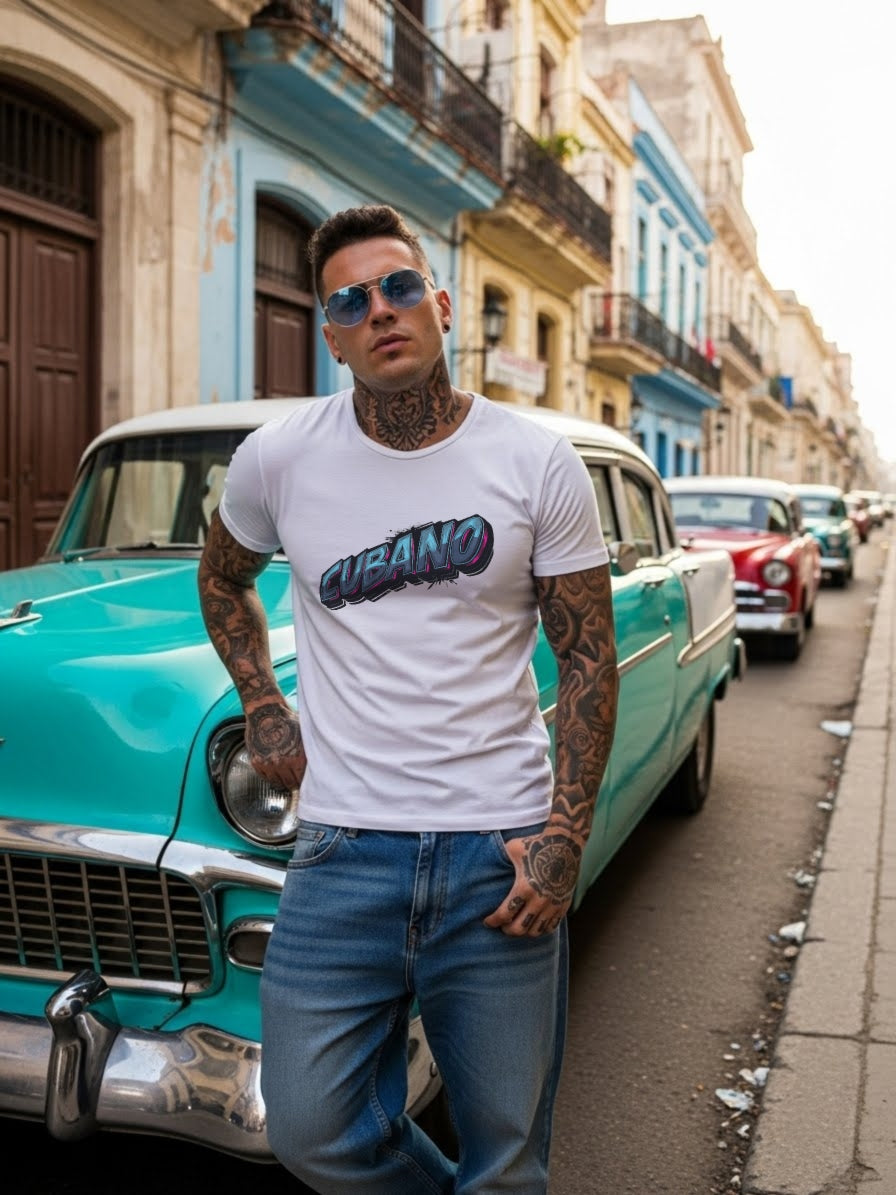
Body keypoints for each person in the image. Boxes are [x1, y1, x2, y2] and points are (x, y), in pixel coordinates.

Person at [197, 203, 619, 1194]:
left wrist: (564, 837)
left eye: (396, 288)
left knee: (506, 1156)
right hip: (342, 848)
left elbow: (589, 659)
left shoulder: (533, 462)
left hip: (498, 851)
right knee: (311, 1131)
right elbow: (221, 575)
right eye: (350, 300)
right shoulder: (278, 458)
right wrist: (261, 699)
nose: (379, 310)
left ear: (437, 305)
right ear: (331, 332)